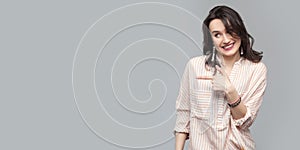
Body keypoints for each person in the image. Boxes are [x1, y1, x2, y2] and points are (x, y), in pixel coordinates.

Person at [174, 5, 267, 150]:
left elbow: (245, 122)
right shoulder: (195, 66)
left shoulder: (256, 70)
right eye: (217, 35)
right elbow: (184, 113)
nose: (226, 40)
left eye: (230, 31)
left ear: (240, 31)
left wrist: (229, 90)